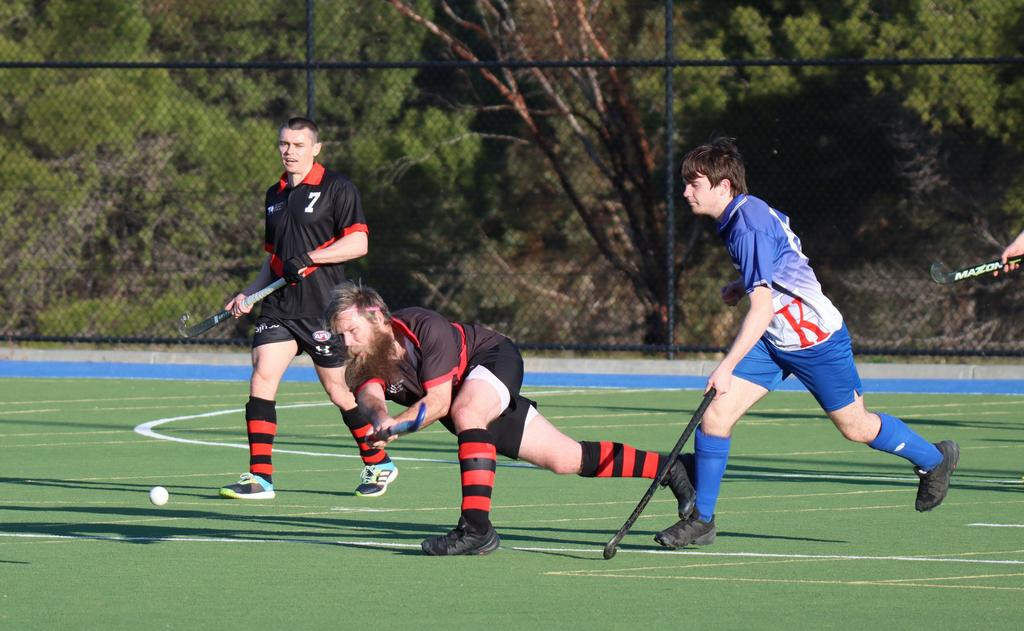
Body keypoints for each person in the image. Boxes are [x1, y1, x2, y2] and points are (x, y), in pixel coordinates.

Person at [656, 138, 960, 549]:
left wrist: (726, 365)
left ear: (723, 187)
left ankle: (934, 461)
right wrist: (740, 285)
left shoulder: (747, 225)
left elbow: (762, 308)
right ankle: (702, 520)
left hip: (815, 340)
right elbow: (786, 258)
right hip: (775, 339)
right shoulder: (745, 214)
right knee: (716, 416)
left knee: (856, 427)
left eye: (694, 184)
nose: (686, 192)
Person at [325, 281, 697, 556]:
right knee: (566, 458)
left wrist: (402, 425)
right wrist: (381, 421)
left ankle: (476, 529)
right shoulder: (359, 363)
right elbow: (371, 397)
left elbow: (438, 403)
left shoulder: (424, 327)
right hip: (465, 397)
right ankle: (669, 467)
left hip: (491, 359)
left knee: (466, 410)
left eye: (353, 331)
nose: (348, 342)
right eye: (341, 335)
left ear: (376, 317)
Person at [218, 116, 399, 501]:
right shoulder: (275, 195)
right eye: (284, 144)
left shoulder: (338, 188)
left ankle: (379, 461)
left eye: (298, 145)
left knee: (339, 391)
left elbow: (358, 244)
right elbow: (273, 259)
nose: (289, 152)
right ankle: (260, 477)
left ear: (315, 148)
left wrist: (311, 256)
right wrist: (249, 294)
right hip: (279, 307)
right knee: (261, 377)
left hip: (323, 308)